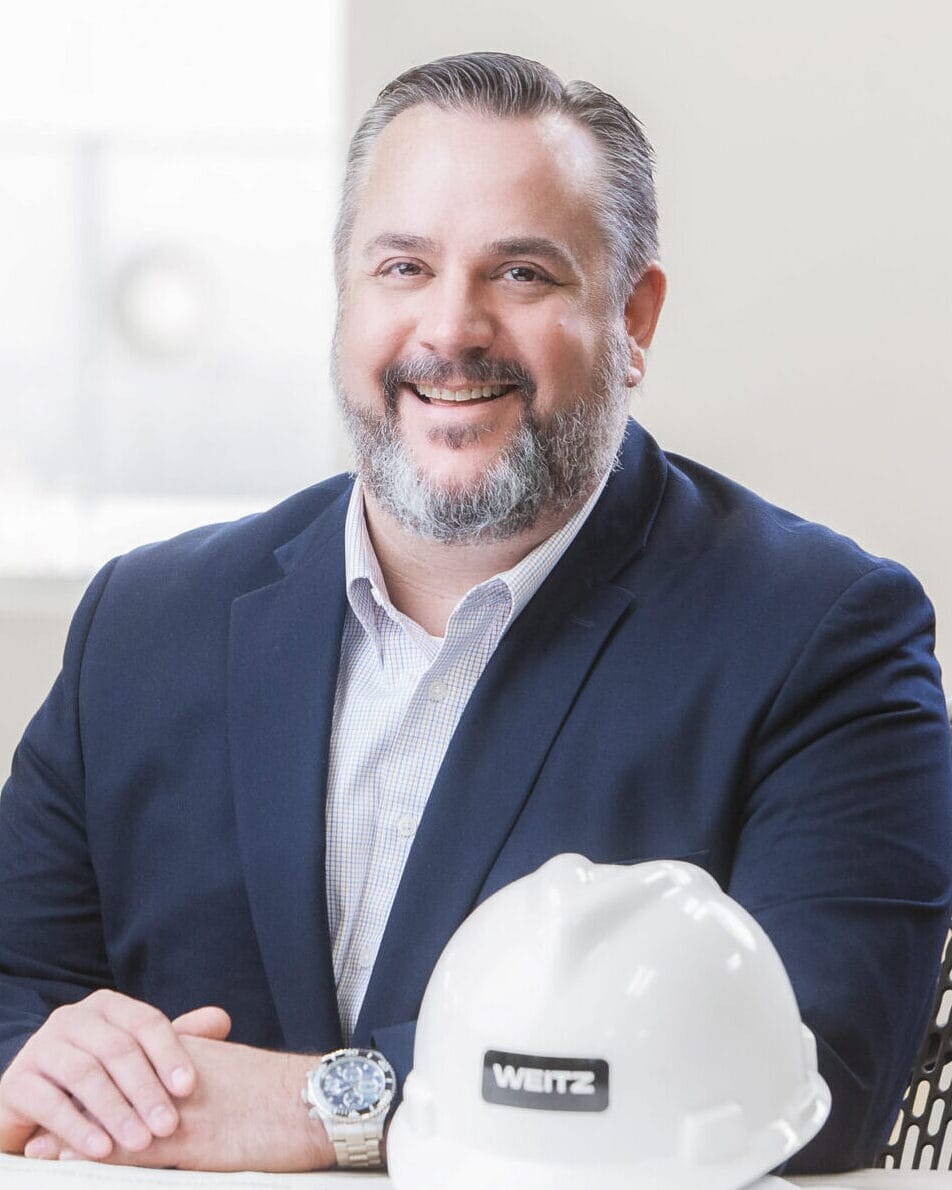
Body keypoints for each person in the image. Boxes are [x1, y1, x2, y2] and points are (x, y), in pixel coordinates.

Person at [1, 50, 950, 1175]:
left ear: (634, 314)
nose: (450, 330)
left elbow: (815, 1079)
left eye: (523, 273)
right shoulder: (144, 621)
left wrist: (326, 1108)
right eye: (403, 265)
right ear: (346, 293)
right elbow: (18, 991)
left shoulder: (822, 634)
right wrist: (55, 1069)